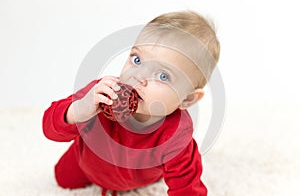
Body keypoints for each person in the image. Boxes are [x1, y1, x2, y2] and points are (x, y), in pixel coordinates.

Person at [43, 10, 220, 196]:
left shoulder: (177, 136)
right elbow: (49, 127)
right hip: (84, 162)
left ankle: (157, 173)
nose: (139, 76)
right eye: (137, 60)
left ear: (187, 99)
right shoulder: (103, 93)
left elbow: (188, 188)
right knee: (62, 179)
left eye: (162, 75)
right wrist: (78, 110)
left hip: (142, 177)